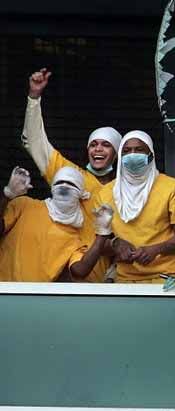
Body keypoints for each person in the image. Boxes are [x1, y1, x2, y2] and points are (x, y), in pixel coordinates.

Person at [22, 68, 121, 282]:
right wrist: (34, 97)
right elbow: (35, 141)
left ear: (116, 153)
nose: (98, 150)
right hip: (70, 276)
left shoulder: (126, 188)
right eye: (93, 145)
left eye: (106, 145)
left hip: (115, 280)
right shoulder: (70, 175)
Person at [94, 131, 175, 283]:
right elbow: (100, 244)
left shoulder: (172, 187)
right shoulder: (105, 194)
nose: (132, 155)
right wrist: (115, 244)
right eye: (126, 151)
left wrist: (156, 249)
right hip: (125, 279)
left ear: (150, 155)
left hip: (168, 277)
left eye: (139, 150)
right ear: (120, 157)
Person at [0, 166, 113, 282]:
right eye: (59, 182)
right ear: (52, 188)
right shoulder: (24, 206)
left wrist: (103, 235)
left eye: (71, 184)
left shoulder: (75, 238)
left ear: (81, 193)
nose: (64, 186)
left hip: (34, 296)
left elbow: (80, 271)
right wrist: (7, 195)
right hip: (4, 289)